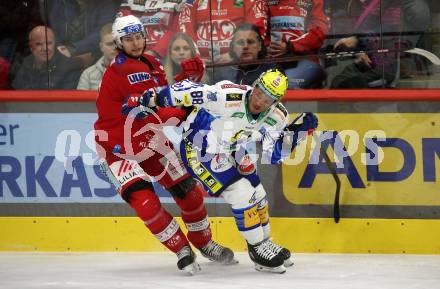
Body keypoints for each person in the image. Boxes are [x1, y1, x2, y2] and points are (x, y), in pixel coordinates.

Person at [94, 15, 235, 275]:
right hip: (117, 148)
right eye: (128, 39)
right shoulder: (126, 70)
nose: (135, 43)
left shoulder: (151, 62)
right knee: (145, 202)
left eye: (138, 37)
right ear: (118, 42)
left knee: (189, 192)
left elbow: (163, 94)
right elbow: (159, 110)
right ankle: (182, 249)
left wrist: (187, 78)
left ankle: (205, 244)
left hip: (150, 140)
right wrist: (188, 105)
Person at [154, 69, 318, 273]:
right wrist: (156, 97)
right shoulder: (228, 95)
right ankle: (257, 249)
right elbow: (192, 90)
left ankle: (264, 242)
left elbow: (273, 155)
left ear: (276, 101)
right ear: (255, 86)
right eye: (259, 93)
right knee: (242, 194)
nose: (259, 102)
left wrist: (296, 133)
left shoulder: (278, 116)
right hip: (200, 150)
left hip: (231, 149)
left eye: (267, 100)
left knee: (259, 195)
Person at [330, 0, 431, 88]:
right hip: (376, 57)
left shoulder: (401, 7)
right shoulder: (375, 4)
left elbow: (389, 32)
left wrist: (358, 40)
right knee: (339, 78)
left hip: (386, 62)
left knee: (343, 81)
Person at [173, 0, 267, 64]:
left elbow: (255, 30)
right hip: (201, 65)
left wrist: (233, 54)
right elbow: (184, 29)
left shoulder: (249, 1)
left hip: (235, 64)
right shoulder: (192, 2)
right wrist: (195, 58)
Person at [267, 0, 329, 89]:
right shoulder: (265, 2)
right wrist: (264, 47)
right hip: (269, 61)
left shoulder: (313, 1)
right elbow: (257, 30)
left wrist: (291, 46)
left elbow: (320, 31)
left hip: (305, 60)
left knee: (284, 85)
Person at [46, 0, 120, 68]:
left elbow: (102, 32)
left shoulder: (106, 3)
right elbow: (52, 29)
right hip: (62, 54)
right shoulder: (59, 2)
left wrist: (73, 49)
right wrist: (59, 48)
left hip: (93, 54)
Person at [11, 26, 82, 90]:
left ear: (54, 44)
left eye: (49, 43)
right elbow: (16, 92)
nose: (45, 48)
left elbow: (65, 100)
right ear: (31, 47)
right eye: (38, 44)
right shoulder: (26, 62)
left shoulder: (71, 67)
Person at [77, 24, 117, 90]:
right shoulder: (88, 75)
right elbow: (80, 100)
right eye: (110, 44)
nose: (115, 48)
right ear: (101, 47)